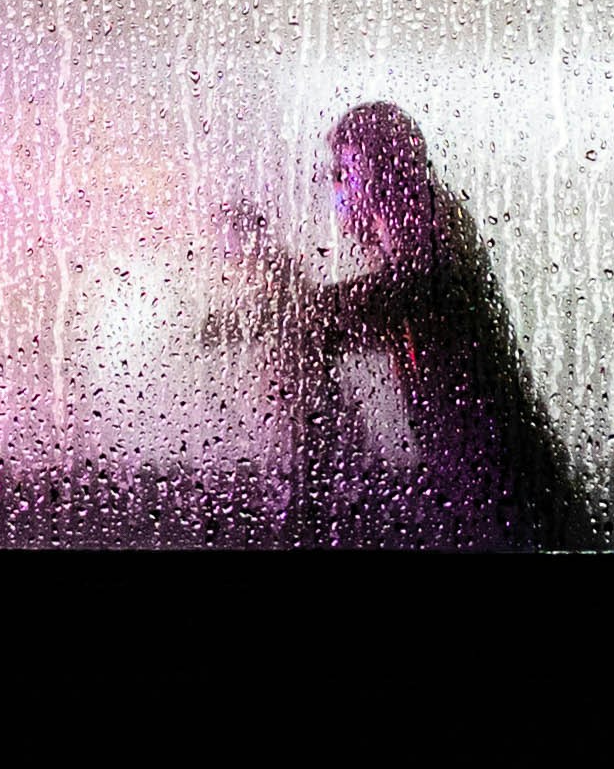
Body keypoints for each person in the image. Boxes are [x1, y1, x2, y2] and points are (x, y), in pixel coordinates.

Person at [231, 102, 586, 551]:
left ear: (386, 174)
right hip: (492, 485)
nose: (334, 188)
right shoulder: (422, 246)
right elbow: (352, 312)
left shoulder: (429, 242)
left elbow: (374, 302)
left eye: (343, 173)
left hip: (506, 491)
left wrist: (271, 288)